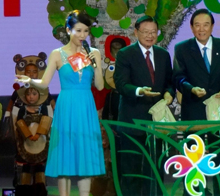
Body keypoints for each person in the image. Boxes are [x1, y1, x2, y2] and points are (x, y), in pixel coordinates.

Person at [16, 10, 105, 196]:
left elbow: (99, 85)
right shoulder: (57, 54)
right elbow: (44, 83)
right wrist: (29, 80)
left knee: (85, 155)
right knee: (65, 153)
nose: (82, 35)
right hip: (66, 106)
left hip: (86, 106)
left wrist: (96, 66)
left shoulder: (94, 53)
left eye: (86, 31)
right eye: (78, 30)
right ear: (68, 30)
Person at [173, 8, 220, 196]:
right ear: (191, 27)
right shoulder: (182, 48)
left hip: (219, 109)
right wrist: (190, 89)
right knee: (192, 156)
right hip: (193, 109)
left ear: (212, 26)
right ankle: (192, 192)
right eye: (197, 25)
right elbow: (178, 78)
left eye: (205, 25)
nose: (201, 29)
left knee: (219, 154)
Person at [114, 15, 174, 196]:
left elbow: (169, 82)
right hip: (132, 121)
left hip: (157, 122)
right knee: (131, 171)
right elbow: (121, 84)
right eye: (146, 32)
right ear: (136, 32)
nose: (150, 36)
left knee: (155, 170)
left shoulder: (163, 55)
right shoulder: (125, 54)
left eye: (153, 32)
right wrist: (140, 90)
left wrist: (169, 93)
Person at [14, 86, 53, 196]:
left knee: (39, 168)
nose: (31, 97)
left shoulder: (43, 108)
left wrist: (38, 134)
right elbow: (19, 123)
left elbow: (46, 121)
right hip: (26, 146)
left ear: (39, 96)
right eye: (28, 94)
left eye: (34, 94)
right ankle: (24, 192)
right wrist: (28, 135)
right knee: (26, 168)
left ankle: (41, 191)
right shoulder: (23, 109)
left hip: (41, 145)